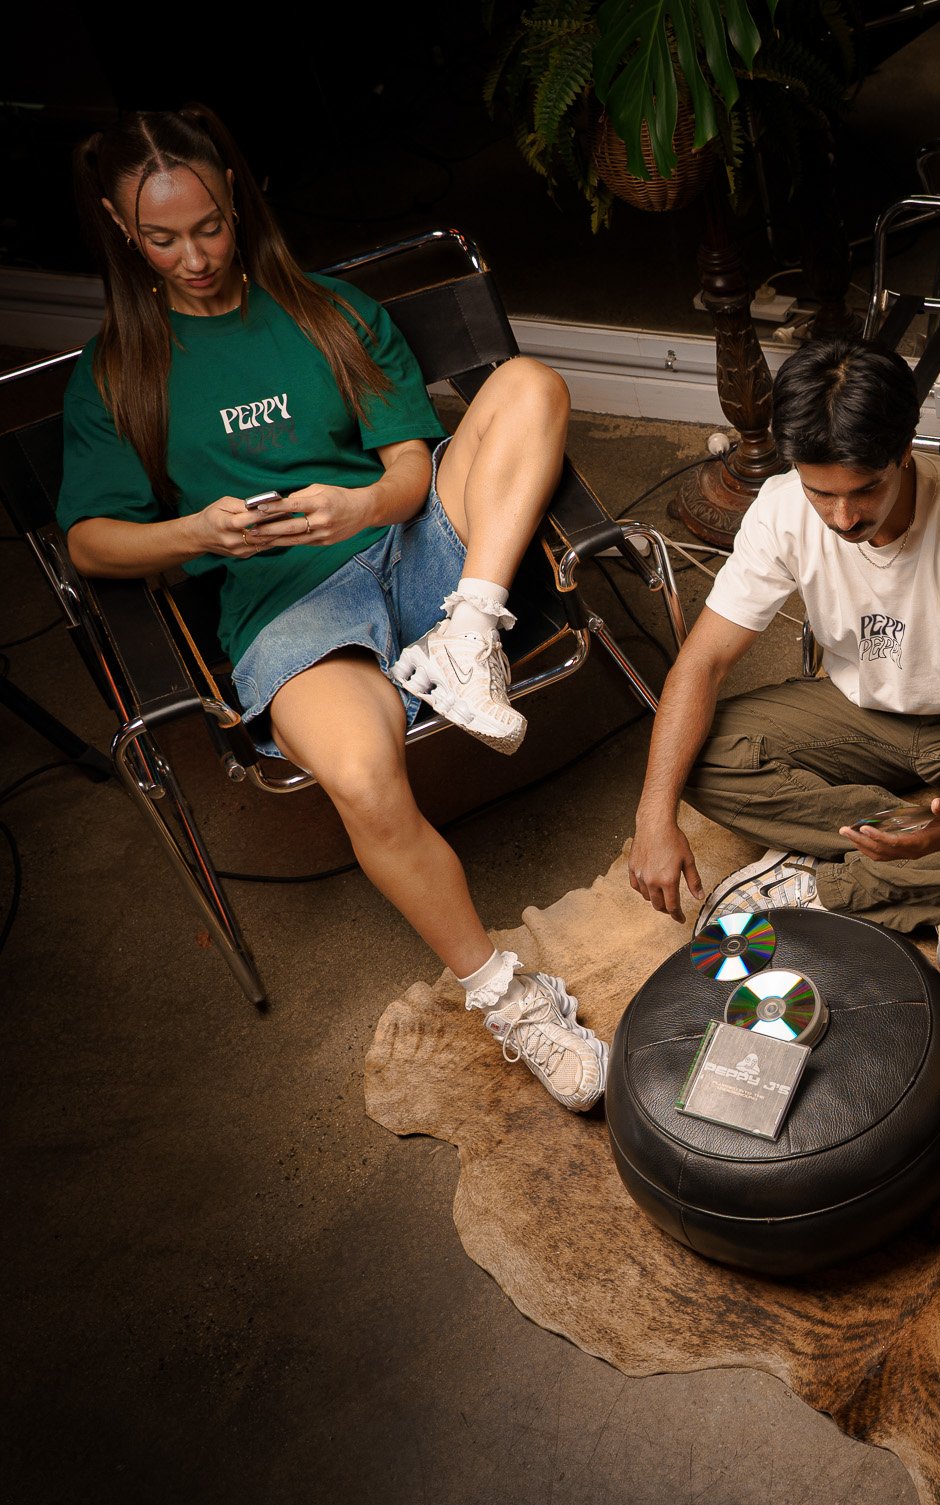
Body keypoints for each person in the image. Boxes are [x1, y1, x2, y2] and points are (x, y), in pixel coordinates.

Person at [58, 107, 605, 1111]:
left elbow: (406, 467)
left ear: (235, 193)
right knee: (359, 773)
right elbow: (90, 542)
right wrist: (196, 535)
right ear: (119, 230)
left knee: (528, 381)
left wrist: (361, 501)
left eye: (210, 226)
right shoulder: (119, 373)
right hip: (288, 612)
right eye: (163, 238)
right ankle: (507, 999)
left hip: (415, 552)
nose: (194, 257)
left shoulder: (329, 310)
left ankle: (468, 637)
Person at [628, 335, 940, 979]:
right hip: (860, 709)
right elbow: (701, 665)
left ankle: (826, 887)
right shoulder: (782, 509)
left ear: (905, 453)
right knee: (695, 762)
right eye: (823, 494)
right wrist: (653, 816)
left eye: (865, 490)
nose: (843, 518)